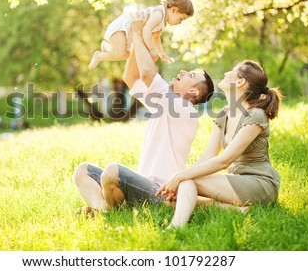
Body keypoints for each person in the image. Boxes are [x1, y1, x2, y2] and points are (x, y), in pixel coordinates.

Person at [73, 11, 214, 213]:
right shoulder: (163, 104)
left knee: (112, 171)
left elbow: (147, 73)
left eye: (190, 75)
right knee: (82, 171)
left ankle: (108, 211)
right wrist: (136, 42)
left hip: (159, 192)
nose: (182, 72)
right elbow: (131, 77)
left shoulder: (185, 111)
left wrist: (139, 33)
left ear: (193, 91)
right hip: (139, 185)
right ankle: (103, 210)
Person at [156, 60, 282, 228]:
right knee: (177, 198)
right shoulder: (224, 114)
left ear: (240, 82)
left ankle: (175, 228)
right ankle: (234, 210)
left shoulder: (256, 115)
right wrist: (182, 176)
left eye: (231, 71)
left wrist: (180, 176)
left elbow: (224, 161)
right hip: (236, 180)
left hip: (259, 183)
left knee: (187, 183)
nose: (225, 74)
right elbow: (208, 156)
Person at [88, 0, 194, 70]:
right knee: (120, 53)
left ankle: (106, 47)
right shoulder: (159, 13)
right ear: (174, 10)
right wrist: (152, 49)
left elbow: (156, 37)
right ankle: (100, 54)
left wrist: (161, 52)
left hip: (128, 32)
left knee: (125, 55)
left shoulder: (163, 22)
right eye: (181, 19)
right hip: (123, 26)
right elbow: (146, 30)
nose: (180, 23)